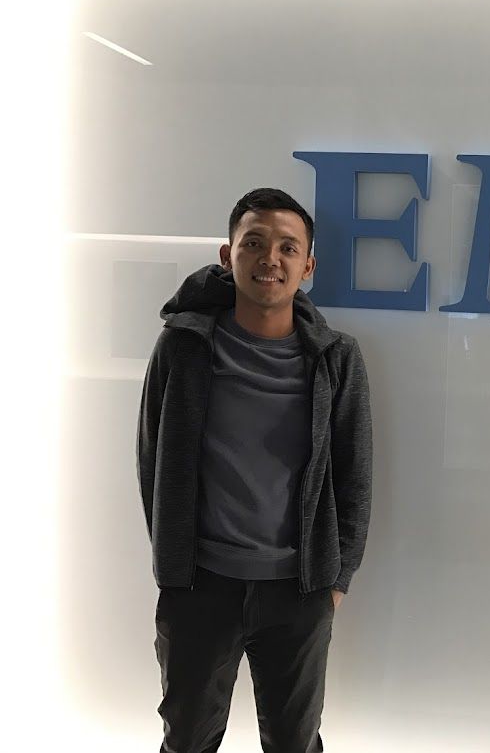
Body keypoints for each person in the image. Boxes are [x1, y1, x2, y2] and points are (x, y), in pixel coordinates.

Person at [137, 188, 373, 752]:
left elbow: (355, 475)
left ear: (308, 265)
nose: (272, 258)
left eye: (289, 247)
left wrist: (335, 581)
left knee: (295, 742)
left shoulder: (335, 359)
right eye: (255, 243)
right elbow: (153, 458)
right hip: (201, 585)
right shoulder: (184, 347)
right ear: (228, 255)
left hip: (298, 590)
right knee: (187, 737)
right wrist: (173, 562)